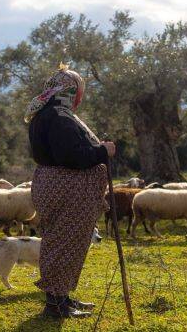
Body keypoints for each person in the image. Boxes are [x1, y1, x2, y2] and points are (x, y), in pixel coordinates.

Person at [26, 64, 116, 318]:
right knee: (65, 244)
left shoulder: (43, 114)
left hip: (52, 185)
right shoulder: (60, 117)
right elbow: (71, 156)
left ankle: (62, 298)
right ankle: (55, 304)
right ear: (71, 90)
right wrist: (103, 151)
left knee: (61, 241)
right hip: (68, 190)